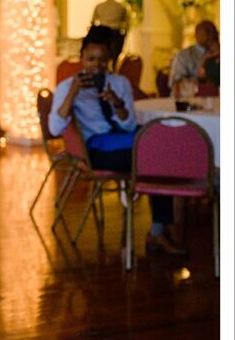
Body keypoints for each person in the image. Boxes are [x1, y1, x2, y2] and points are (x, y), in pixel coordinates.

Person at [49, 33, 182, 255]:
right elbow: (54, 128)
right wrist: (73, 94)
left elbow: (129, 125)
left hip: (123, 136)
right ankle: (159, 230)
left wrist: (116, 102)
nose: (96, 66)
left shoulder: (119, 83)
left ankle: (161, 226)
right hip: (98, 148)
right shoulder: (67, 86)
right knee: (155, 156)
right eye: (91, 59)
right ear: (82, 58)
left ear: (109, 60)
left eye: (102, 60)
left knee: (161, 140)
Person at [169, 20, 220, 94]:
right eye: (207, 31)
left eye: (212, 31)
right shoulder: (184, 56)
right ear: (196, 35)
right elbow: (176, 83)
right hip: (190, 98)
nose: (210, 34)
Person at [91, 0, 129, 67]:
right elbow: (126, 23)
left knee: (102, 55)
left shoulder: (100, 6)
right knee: (115, 56)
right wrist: (124, 34)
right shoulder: (121, 7)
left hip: (102, 33)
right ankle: (113, 73)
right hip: (115, 33)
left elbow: (93, 22)